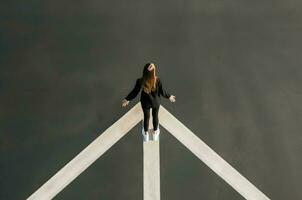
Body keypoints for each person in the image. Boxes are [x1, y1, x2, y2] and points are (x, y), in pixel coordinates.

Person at [122, 63, 176, 141]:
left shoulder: (140, 81)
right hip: (156, 102)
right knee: (155, 116)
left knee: (146, 117)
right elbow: (162, 91)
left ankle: (146, 134)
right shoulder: (157, 80)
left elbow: (135, 92)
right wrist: (169, 96)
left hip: (145, 102)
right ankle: (155, 133)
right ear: (154, 72)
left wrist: (127, 99)